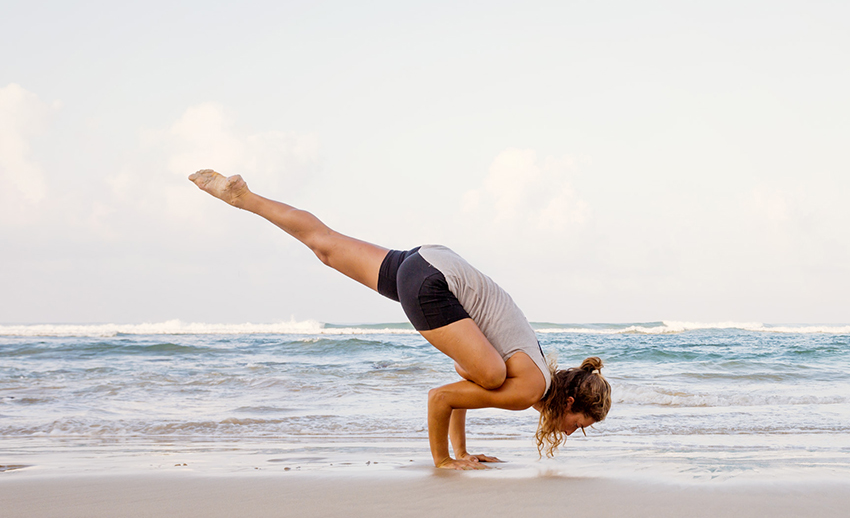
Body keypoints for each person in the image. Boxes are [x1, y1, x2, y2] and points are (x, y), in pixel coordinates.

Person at [188, 169, 610, 470]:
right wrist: (445, 461)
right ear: (569, 403)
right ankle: (443, 458)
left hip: (431, 260)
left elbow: (465, 389)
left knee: (326, 246)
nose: (574, 432)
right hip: (435, 284)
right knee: (489, 371)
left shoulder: (531, 368)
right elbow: (441, 397)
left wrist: (464, 450)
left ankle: (243, 197)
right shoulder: (527, 389)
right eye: (581, 424)